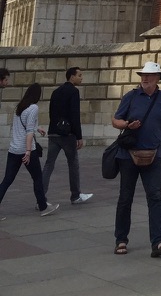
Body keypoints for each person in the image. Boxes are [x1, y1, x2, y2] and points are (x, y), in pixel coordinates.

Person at [112, 60, 161, 257]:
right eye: (143, 75)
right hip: (128, 155)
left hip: (154, 155)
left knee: (155, 197)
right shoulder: (130, 97)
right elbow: (115, 120)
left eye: (149, 75)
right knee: (125, 198)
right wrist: (127, 125)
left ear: (157, 78)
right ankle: (121, 239)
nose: (145, 78)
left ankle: (158, 242)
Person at [0, 83, 59, 219]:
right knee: (37, 178)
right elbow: (28, 131)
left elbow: (25, 125)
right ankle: (43, 206)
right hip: (26, 150)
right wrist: (27, 151)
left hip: (13, 149)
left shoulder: (20, 106)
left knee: (7, 180)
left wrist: (37, 128)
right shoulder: (33, 108)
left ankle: (42, 204)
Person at [41, 66, 93, 205]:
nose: (81, 78)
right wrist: (78, 136)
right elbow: (75, 115)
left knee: (49, 165)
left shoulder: (56, 92)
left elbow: (51, 113)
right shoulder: (73, 92)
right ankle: (75, 196)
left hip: (54, 133)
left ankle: (41, 198)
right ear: (72, 77)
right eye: (80, 75)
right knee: (73, 164)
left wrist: (55, 127)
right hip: (67, 134)